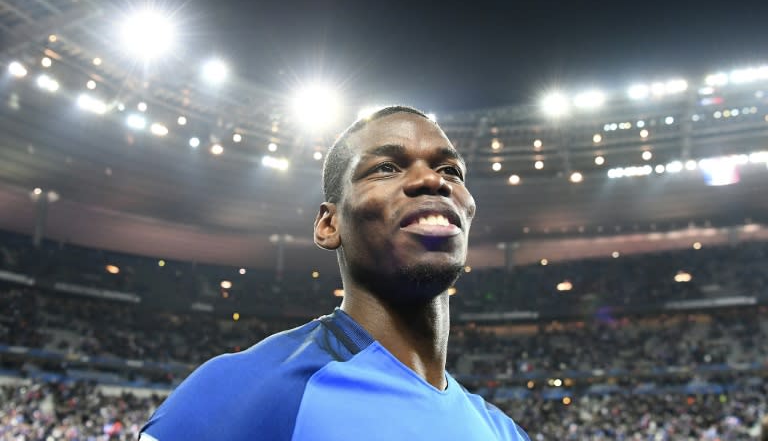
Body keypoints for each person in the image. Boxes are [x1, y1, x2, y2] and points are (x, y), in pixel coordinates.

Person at [140, 106, 530, 440]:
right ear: (329, 224)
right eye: (387, 167)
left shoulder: (504, 432)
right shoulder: (236, 393)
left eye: (450, 170)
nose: (433, 180)